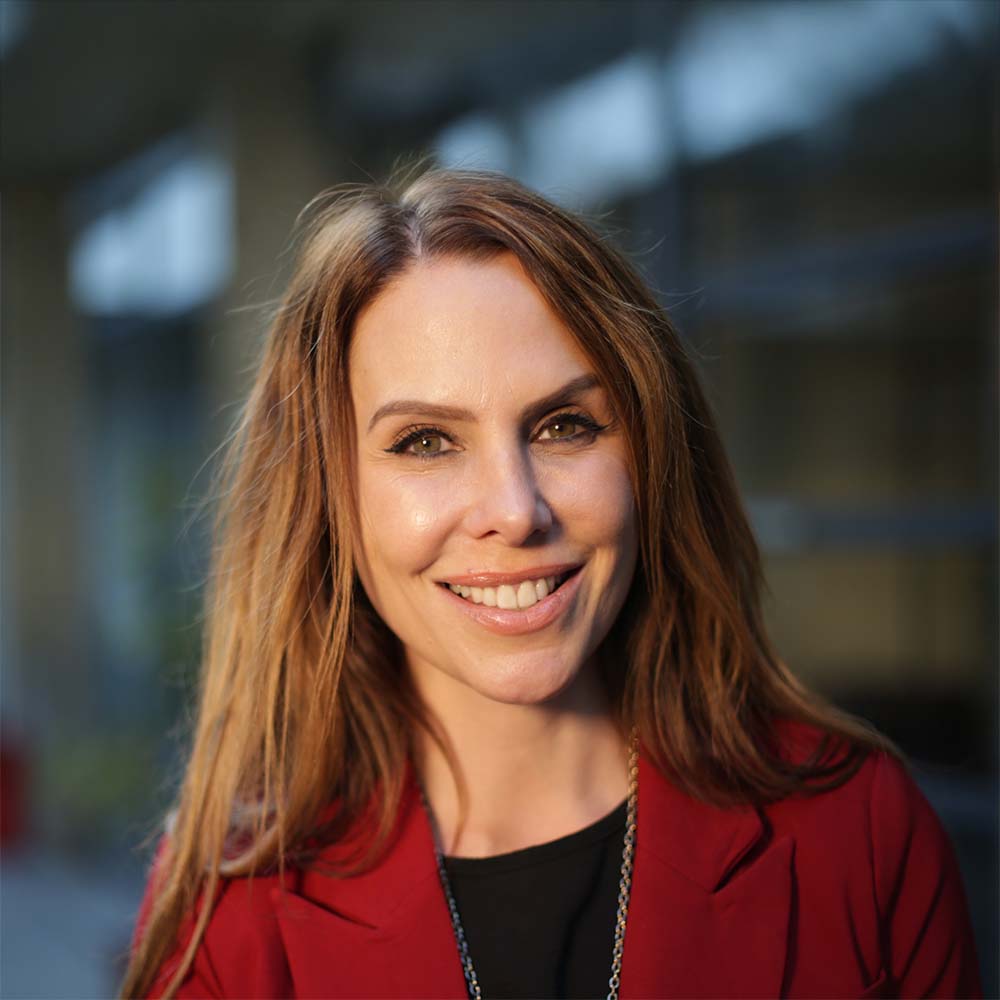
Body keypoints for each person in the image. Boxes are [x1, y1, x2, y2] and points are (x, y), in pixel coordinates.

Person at [121, 168, 982, 1000]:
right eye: (425, 441)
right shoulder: (228, 908)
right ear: (329, 495)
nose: (515, 510)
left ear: (649, 457)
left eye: (566, 425)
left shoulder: (858, 832)